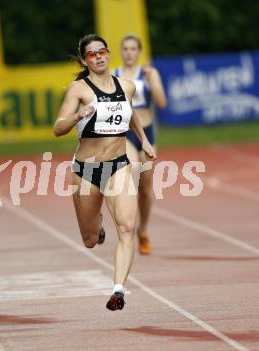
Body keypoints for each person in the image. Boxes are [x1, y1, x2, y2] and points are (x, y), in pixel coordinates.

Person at [53, 34, 156, 311]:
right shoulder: (78, 90)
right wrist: (77, 116)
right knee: (89, 240)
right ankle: (96, 228)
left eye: (102, 52)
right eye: (91, 54)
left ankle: (118, 289)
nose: (98, 57)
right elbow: (57, 127)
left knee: (127, 228)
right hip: (86, 170)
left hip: (118, 165)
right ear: (84, 61)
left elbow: (130, 112)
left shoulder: (127, 86)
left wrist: (143, 139)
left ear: (108, 54)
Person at [113, 34, 167, 255]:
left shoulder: (148, 73)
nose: (129, 52)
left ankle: (143, 230)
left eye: (133, 49)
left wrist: (153, 80)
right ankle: (128, 226)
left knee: (145, 188)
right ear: (121, 51)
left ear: (139, 51)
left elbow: (162, 103)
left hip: (146, 132)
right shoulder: (113, 75)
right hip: (125, 133)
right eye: (125, 48)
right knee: (132, 169)